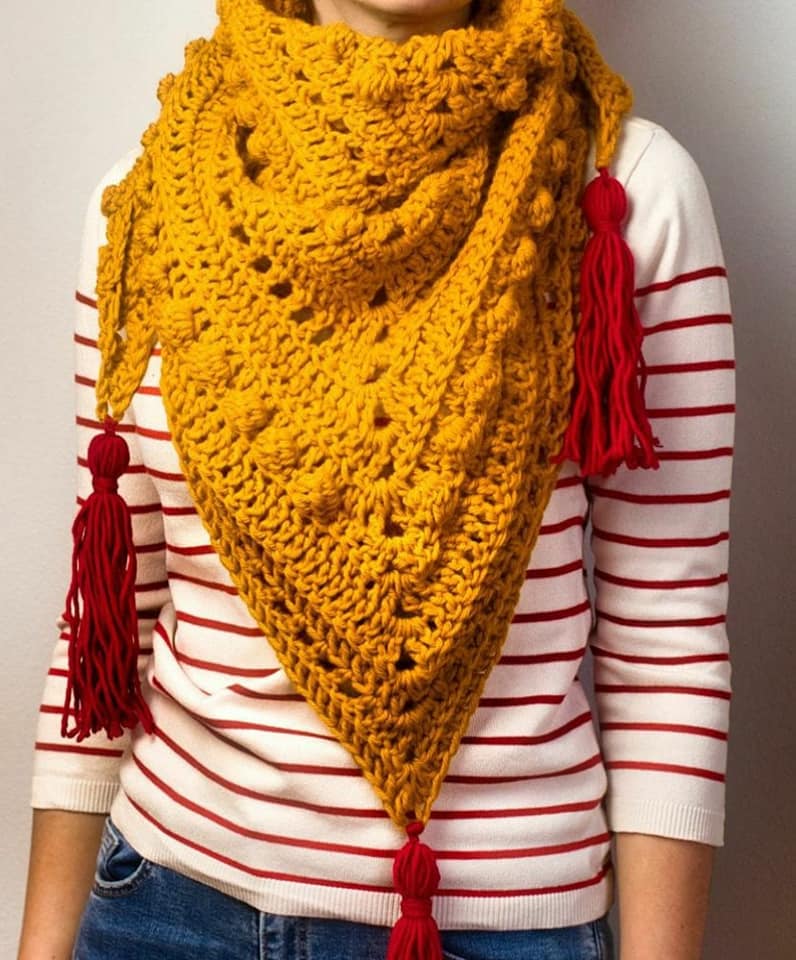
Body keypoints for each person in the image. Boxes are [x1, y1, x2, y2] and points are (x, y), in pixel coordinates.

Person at [18, 0, 734, 958]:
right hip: (163, 911)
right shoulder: (151, 200)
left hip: (501, 932)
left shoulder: (624, 191)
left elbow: (667, 646)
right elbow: (107, 629)